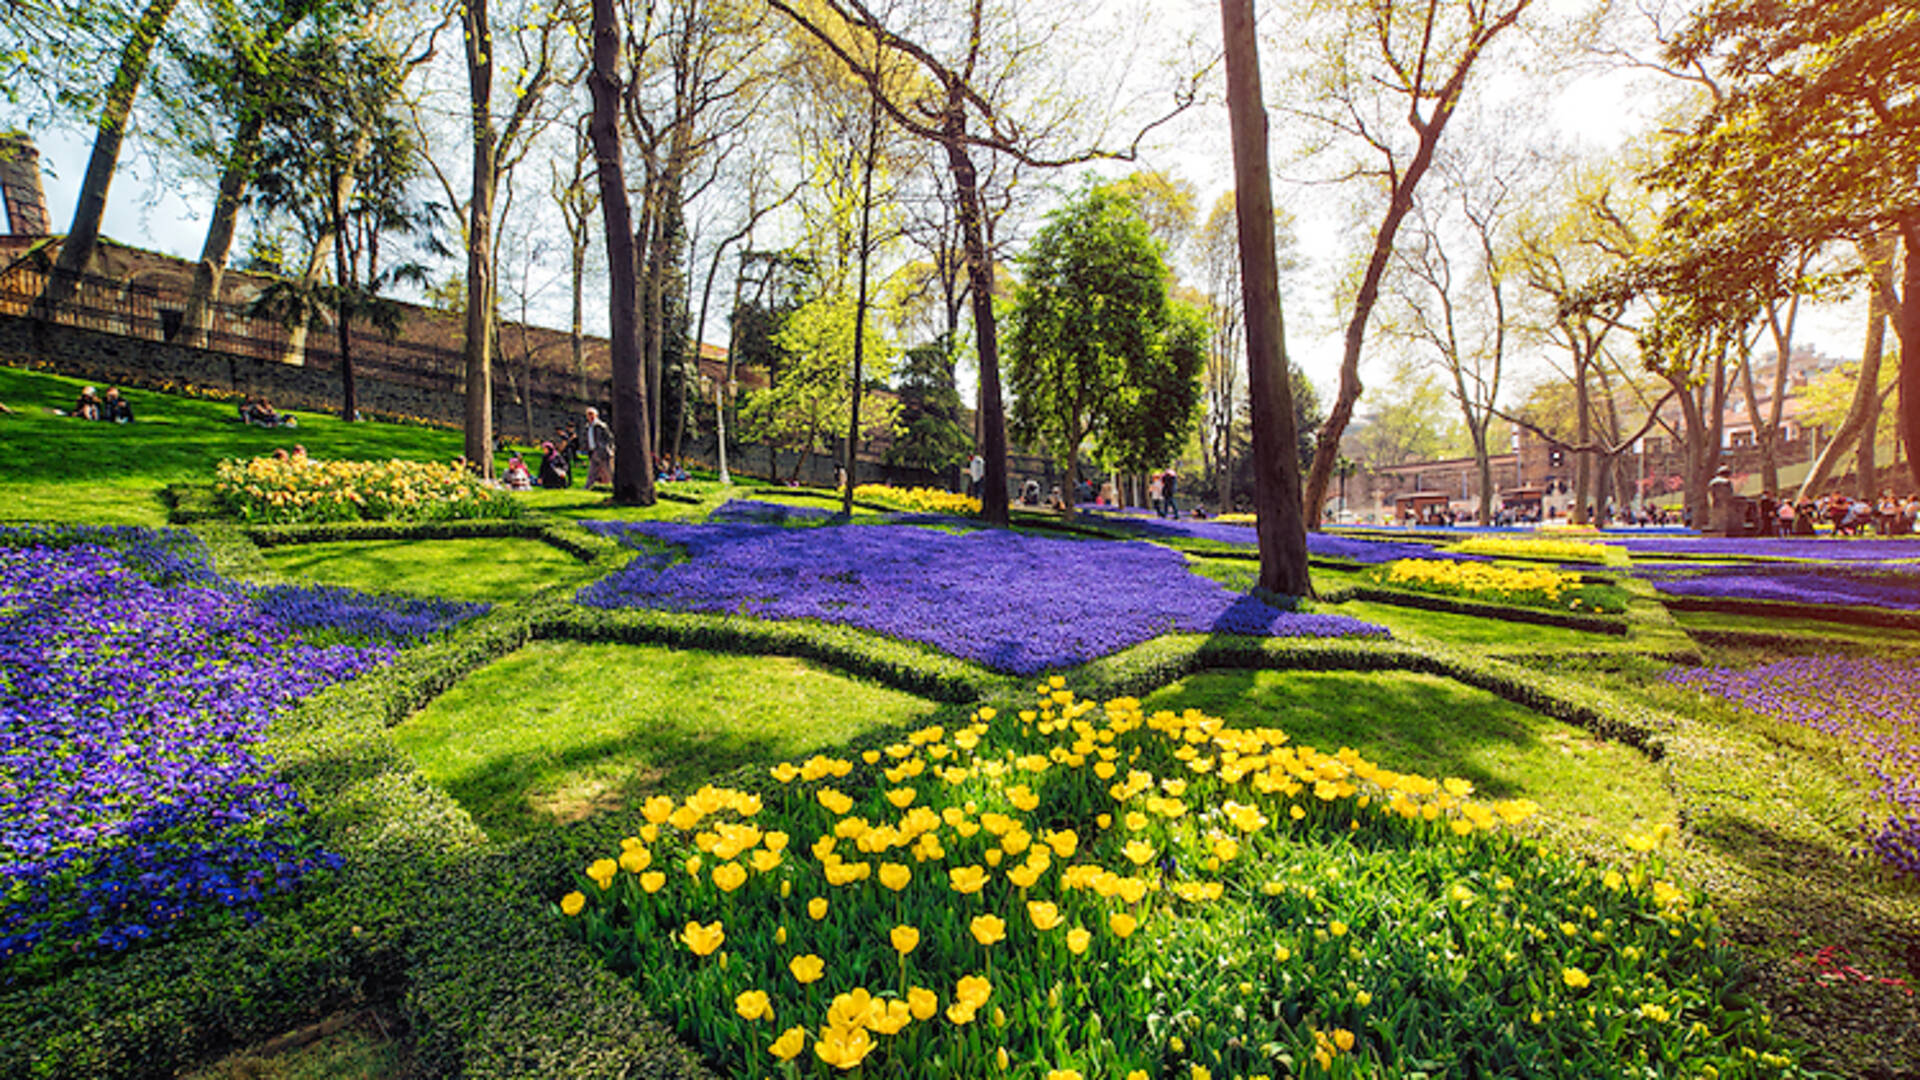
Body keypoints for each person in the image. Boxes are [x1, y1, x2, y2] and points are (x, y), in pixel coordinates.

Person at [583, 407, 614, 490]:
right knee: (592, 470)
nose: (590, 417)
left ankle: (614, 485)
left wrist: (607, 448)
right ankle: (587, 486)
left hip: (603, 451)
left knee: (608, 470)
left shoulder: (601, 426)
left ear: (596, 415)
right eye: (588, 415)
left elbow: (609, 438)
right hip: (593, 451)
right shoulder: (587, 427)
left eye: (592, 414)